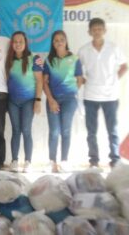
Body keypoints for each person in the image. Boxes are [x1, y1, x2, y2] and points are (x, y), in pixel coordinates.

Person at [78, 18, 127, 168]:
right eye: (94, 29)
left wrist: (114, 80)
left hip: (111, 96)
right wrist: (85, 81)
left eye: (100, 29)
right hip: (90, 95)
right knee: (91, 131)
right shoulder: (83, 50)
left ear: (105, 31)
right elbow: (77, 71)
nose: (97, 31)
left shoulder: (113, 48)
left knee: (112, 130)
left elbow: (124, 66)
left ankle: (115, 160)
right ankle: (94, 160)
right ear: (89, 32)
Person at [43, 30, 83, 173]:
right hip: (52, 100)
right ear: (52, 44)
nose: (59, 42)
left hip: (69, 101)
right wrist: (51, 100)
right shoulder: (49, 60)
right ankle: (52, 161)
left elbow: (79, 80)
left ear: (66, 41)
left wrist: (72, 93)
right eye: (56, 40)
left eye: (61, 39)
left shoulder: (74, 59)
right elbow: (44, 83)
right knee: (54, 131)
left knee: (66, 131)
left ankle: (64, 161)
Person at [5, 31, 43, 173]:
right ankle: (14, 160)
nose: (18, 44)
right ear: (12, 44)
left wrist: (38, 100)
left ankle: (28, 161)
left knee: (26, 130)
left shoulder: (35, 58)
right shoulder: (8, 60)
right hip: (13, 101)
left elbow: (39, 81)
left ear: (25, 43)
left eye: (21, 41)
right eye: (15, 42)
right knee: (15, 130)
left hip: (29, 101)